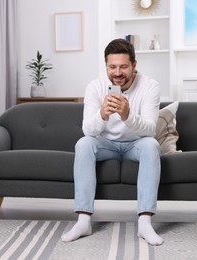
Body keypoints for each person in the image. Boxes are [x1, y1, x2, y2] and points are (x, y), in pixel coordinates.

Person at [61, 38, 163, 246]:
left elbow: (151, 130)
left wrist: (127, 115)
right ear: (106, 66)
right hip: (106, 144)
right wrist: (102, 115)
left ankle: (144, 222)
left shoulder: (150, 86)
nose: (117, 73)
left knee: (152, 146)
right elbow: (88, 130)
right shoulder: (95, 87)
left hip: (136, 144)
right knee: (83, 144)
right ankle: (83, 220)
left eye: (124, 67)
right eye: (112, 67)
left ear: (134, 65)